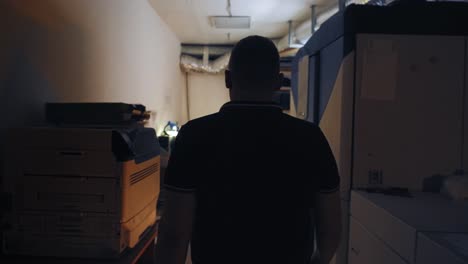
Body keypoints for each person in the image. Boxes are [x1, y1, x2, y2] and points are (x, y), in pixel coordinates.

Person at [154, 35, 341, 264]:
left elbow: (174, 236)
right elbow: (330, 231)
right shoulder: (311, 138)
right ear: (279, 81)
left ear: (228, 79)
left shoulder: (194, 136)